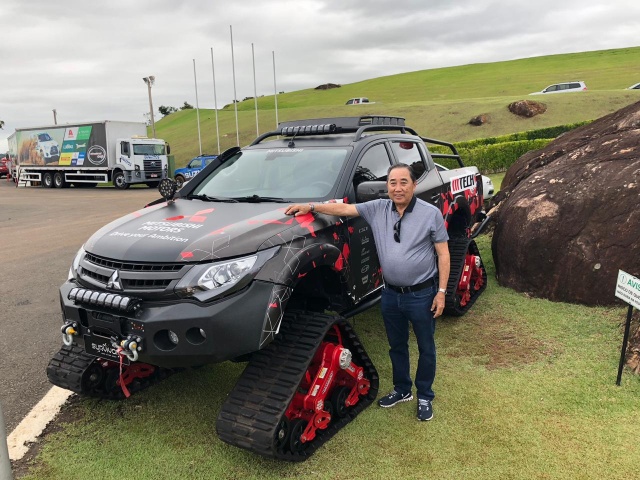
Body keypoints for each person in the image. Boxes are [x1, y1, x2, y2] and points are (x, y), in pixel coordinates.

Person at [285, 163, 450, 421]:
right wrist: (312, 207)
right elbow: (343, 208)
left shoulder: (430, 214)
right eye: (393, 182)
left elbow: (443, 253)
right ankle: (402, 389)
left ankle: (425, 395)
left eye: (403, 182)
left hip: (421, 294)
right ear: (388, 186)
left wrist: (441, 292)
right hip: (391, 295)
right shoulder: (378, 208)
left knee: (426, 346)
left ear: (414, 185)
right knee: (396, 345)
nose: (397, 188)